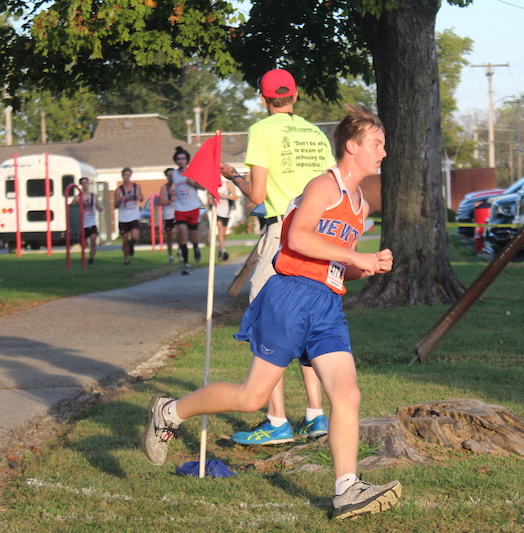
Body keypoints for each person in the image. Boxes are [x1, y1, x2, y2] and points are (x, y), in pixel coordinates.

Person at [142, 105, 400, 519]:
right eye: (377, 144)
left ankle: (346, 489)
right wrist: (358, 257)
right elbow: (296, 238)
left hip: (327, 305)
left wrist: (366, 266)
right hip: (290, 296)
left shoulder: (361, 205)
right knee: (252, 397)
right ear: (352, 146)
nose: (383, 152)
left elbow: (338, 264)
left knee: (347, 394)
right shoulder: (324, 186)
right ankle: (169, 412)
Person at [219, 68, 337, 445]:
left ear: (263, 99)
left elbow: (257, 195)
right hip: (319, 233)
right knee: (309, 321)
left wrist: (233, 176)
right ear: (295, 95)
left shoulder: (261, 131)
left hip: (282, 233)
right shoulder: (316, 133)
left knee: (268, 322)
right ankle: (316, 415)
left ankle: (276, 421)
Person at [171, 147, 204, 275]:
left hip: (193, 208)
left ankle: (196, 247)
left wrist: (193, 183)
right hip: (179, 208)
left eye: (183, 159)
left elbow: (203, 187)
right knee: (182, 235)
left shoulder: (193, 172)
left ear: (187, 160)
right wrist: (169, 190)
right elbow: (169, 186)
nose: (181, 161)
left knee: (193, 237)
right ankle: (186, 265)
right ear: (176, 161)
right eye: (178, 159)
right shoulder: (173, 174)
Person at [71, 177, 103, 265]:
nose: (85, 185)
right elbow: (71, 210)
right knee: (84, 245)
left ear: (88, 184)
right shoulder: (77, 198)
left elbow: (98, 206)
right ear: (81, 185)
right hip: (82, 225)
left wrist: (100, 208)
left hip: (92, 223)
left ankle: (91, 260)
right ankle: (84, 255)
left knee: (93, 240)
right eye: (83, 183)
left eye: (86, 183)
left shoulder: (94, 196)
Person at [114, 167, 143, 265]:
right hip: (123, 218)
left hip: (134, 216)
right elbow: (115, 206)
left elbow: (142, 198)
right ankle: (126, 259)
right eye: (125, 175)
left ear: (130, 176)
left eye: (128, 175)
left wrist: (139, 197)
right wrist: (120, 200)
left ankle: (131, 245)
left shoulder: (136, 187)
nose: (127, 177)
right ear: (122, 176)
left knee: (135, 237)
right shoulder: (118, 190)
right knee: (125, 240)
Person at [214, 178, 238, 261]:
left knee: (224, 233)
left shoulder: (226, 184)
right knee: (220, 230)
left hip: (226, 211)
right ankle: (223, 250)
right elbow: (209, 197)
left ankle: (221, 247)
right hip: (217, 211)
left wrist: (225, 196)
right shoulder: (213, 184)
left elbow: (235, 197)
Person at [159, 168, 177, 263]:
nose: (171, 177)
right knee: (169, 236)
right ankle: (170, 255)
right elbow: (160, 202)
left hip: (177, 212)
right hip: (168, 214)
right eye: (169, 175)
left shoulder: (178, 186)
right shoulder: (164, 188)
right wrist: (170, 200)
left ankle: (181, 251)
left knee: (180, 233)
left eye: (172, 175)